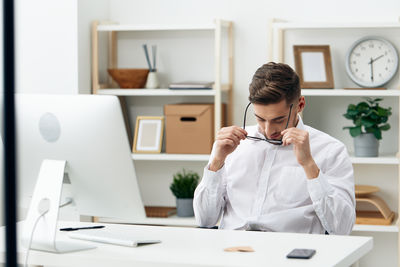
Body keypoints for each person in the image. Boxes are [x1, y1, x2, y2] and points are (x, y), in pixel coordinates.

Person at [193, 62, 355, 235]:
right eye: (260, 119)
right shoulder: (231, 146)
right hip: (233, 251)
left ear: (300, 105)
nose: (269, 131)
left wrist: (309, 165)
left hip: (290, 255)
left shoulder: (331, 150)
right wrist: (217, 162)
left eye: (278, 120)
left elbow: (341, 229)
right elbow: (205, 220)